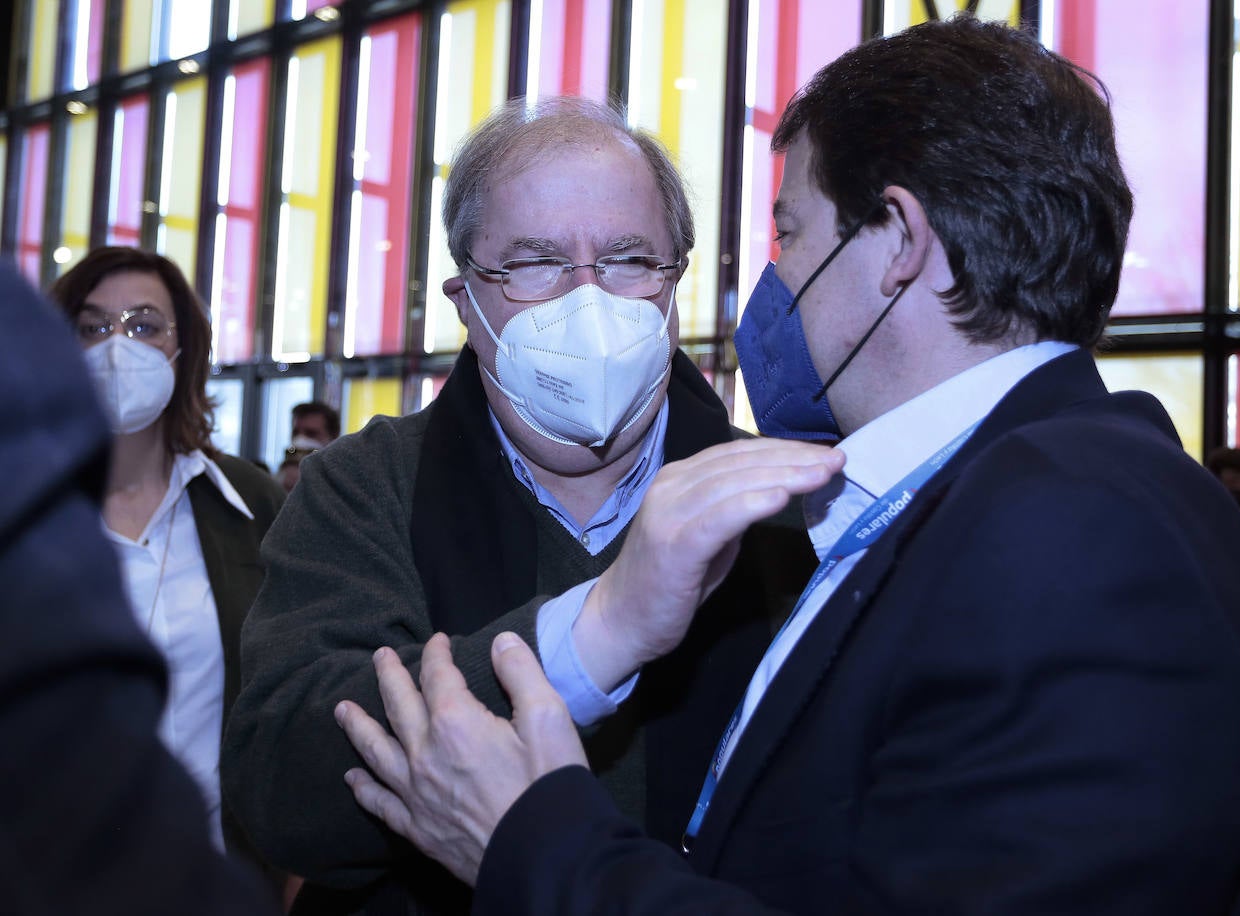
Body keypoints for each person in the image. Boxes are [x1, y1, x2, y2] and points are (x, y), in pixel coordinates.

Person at [334, 17, 1240, 914]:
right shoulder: (965, 502)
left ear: (898, 242)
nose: (776, 280)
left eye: (791, 231)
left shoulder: (1080, 523)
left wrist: (533, 843)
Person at [221, 97, 818, 913]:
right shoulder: (364, 487)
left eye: (628, 259)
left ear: (675, 283)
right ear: (466, 303)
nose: (589, 302)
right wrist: (595, 634)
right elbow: (282, 785)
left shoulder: (781, 504)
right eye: (535, 264)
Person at [0, 258, 274, 915]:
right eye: (92, 328)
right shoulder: (26, 514)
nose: (117, 347)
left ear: (184, 350)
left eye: (144, 326)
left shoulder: (250, 505)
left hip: (220, 874)